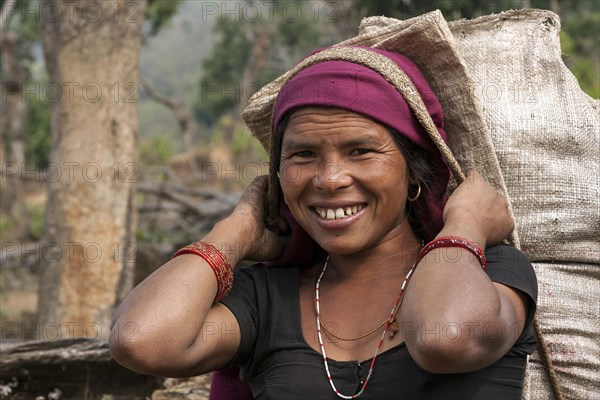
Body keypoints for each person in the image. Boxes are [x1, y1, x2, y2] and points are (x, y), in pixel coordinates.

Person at [109, 46, 538, 399]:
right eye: (303, 155)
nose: (329, 179)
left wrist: (463, 224)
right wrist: (235, 231)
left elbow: (445, 336)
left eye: (361, 151)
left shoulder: (488, 272)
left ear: (414, 171)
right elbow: (139, 340)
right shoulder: (266, 300)